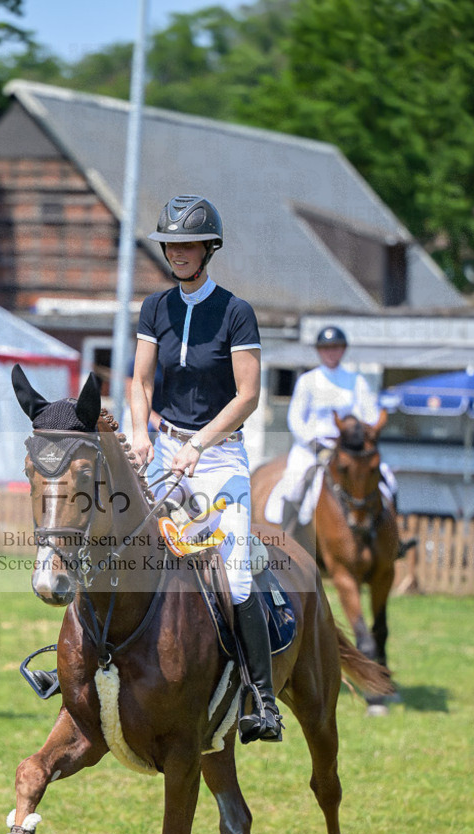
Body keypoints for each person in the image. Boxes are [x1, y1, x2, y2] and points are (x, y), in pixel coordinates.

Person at [130, 194, 282, 743]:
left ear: (208, 248)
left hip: (219, 459)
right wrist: (140, 433)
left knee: (235, 574)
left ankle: (262, 699)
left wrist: (199, 442)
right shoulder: (155, 308)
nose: (178, 253)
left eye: (188, 245)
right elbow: (140, 381)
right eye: (171, 245)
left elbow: (248, 395)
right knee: (120, 548)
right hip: (164, 450)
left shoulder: (236, 312)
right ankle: (83, 664)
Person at [265, 325, 409, 543]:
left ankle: (394, 539)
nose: (331, 352)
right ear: (319, 351)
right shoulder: (308, 381)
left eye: (336, 347)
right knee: (293, 486)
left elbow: (370, 415)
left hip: (349, 449)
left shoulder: (356, 381)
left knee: (388, 479)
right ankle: (288, 536)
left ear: (343, 350)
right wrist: (313, 442)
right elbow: (295, 419)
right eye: (326, 348)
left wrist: (361, 432)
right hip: (314, 447)